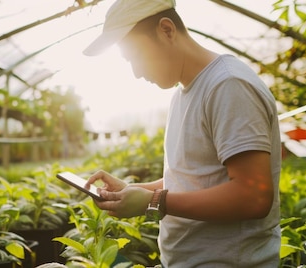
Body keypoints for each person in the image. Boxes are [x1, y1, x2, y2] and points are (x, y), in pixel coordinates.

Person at [82, 0, 282, 267]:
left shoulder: (228, 85)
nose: (137, 73)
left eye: (136, 57)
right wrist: (133, 191)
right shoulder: (183, 94)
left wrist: (153, 201)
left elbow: (253, 197)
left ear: (166, 30)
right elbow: (193, 179)